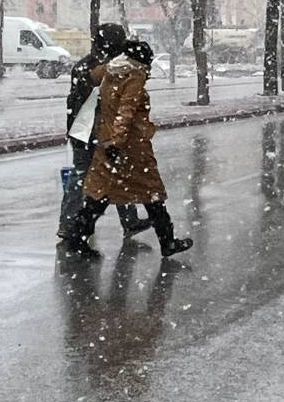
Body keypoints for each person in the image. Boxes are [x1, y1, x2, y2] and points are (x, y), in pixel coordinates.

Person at [65, 40, 193, 259]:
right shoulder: (134, 76)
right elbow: (126, 111)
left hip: (107, 144)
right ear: (143, 60)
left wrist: (111, 141)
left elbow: (92, 80)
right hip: (131, 148)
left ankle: (77, 237)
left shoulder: (109, 71)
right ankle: (167, 241)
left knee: (100, 195)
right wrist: (118, 141)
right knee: (152, 193)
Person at [58, 23, 149, 242]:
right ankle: (126, 221)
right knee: (112, 174)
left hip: (81, 130)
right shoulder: (112, 68)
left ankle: (69, 223)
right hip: (97, 131)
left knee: (85, 176)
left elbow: (75, 100)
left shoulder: (85, 65)